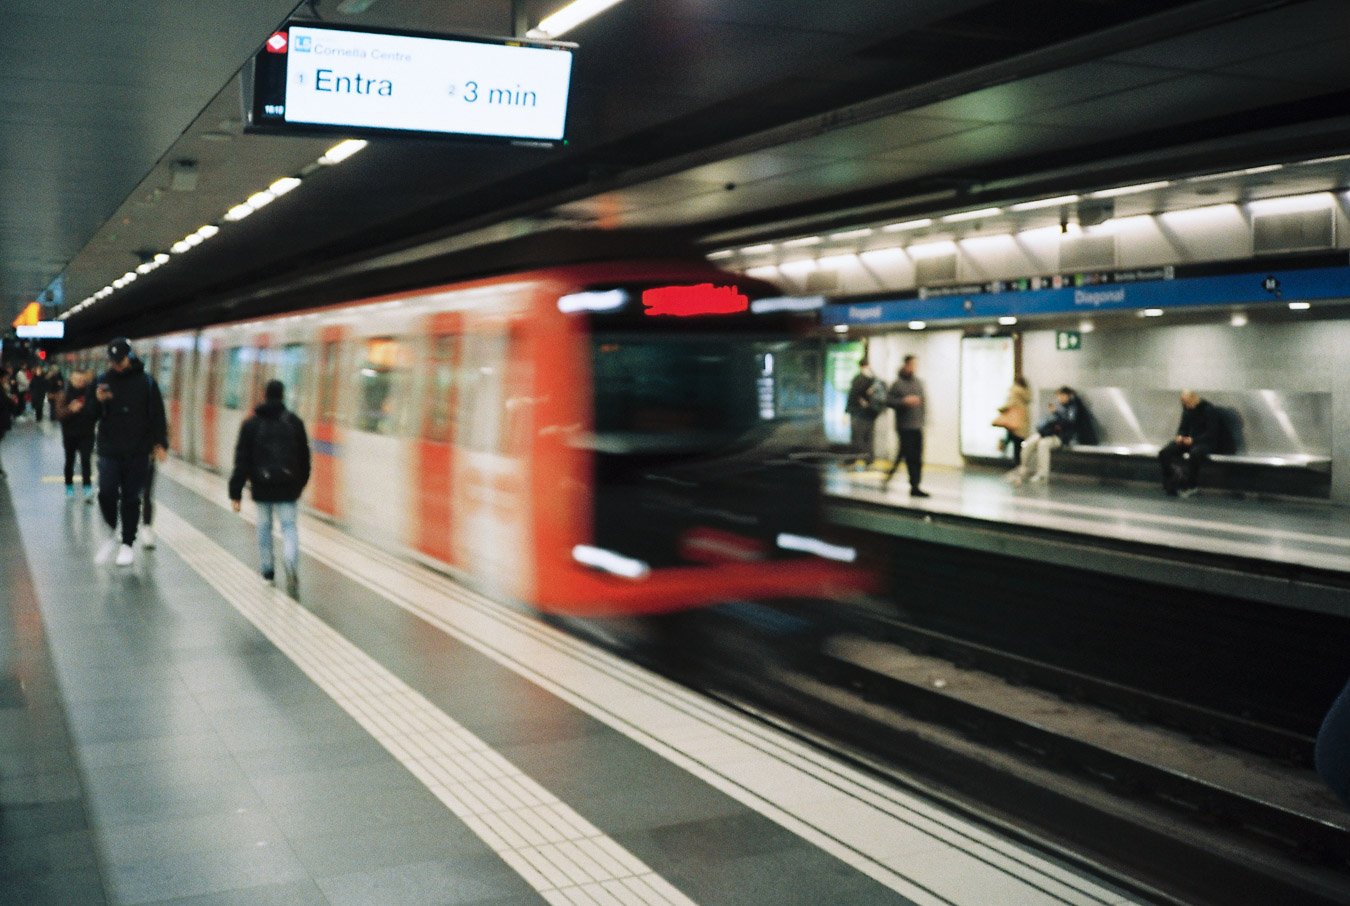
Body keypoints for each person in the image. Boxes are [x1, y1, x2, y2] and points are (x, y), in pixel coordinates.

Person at [229, 379, 311, 596]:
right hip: (287, 488)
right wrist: (299, 485)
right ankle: (290, 560)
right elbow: (305, 458)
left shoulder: (251, 424)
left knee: (264, 528)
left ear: (264, 396)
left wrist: (235, 492)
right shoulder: (295, 422)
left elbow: (242, 460)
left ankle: (267, 572)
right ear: (283, 396)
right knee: (289, 527)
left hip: (262, 487)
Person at [93, 338, 168, 567]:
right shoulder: (102, 382)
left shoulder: (146, 383)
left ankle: (127, 543)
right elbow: (90, 414)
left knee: (131, 497)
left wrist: (160, 443)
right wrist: (98, 402)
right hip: (109, 449)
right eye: (113, 361)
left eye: (120, 360)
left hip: (138, 450)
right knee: (106, 491)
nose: (116, 365)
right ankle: (112, 527)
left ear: (130, 357)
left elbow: (157, 415)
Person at [1005, 386, 1085, 486]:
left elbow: (1070, 423)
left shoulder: (1073, 407)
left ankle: (1042, 474)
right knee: (1029, 443)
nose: (1060, 398)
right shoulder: (1057, 406)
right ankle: (1023, 468)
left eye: (1062, 395)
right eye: (1058, 396)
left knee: (1043, 445)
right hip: (1047, 433)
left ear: (1068, 396)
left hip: (1061, 437)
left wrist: (1056, 413)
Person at [1158, 390, 1220, 499]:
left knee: (1195, 454)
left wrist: (1193, 440)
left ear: (1193, 399)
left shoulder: (1209, 410)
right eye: (1184, 403)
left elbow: (1212, 433)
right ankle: (1174, 475)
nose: (1185, 405)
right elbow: (1183, 428)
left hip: (1206, 443)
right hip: (1189, 441)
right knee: (1165, 452)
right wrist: (1180, 436)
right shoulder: (1187, 410)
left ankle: (1191, 485)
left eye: (1186, 402)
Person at [882, 355, 929, 497]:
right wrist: (904, 402)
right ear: (906, 365)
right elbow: (888, 400)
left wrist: (923, 420)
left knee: (914, 456)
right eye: (912, 365)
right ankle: (913, 485)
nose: (914, 367)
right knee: (909, 456)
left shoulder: (919, 383)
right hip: (904, 427)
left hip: (917, 426)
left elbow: (923, 403)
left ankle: (913, 483)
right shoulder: (897, 384)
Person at [54, 370, 98, 501]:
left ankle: (87, 487)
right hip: (70, 434)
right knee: (70, 461)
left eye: (82, 380)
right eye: (76, 379)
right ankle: (69, 486)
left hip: (87, 433)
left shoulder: (90, 394)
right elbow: (59, 415)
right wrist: (70, 410)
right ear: (71, 380)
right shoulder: (64, 394)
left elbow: (96, 411)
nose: (80, 382)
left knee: (86, 460)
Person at [845, 362, 885, 469]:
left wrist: (847, 411)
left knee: (857, 438)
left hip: (860, 414)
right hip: (870, 413)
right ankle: (868, 461)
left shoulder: (859, 379)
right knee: (868, 438)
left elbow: (853, 396)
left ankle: (853, 460)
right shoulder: (874, 380)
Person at [992, 375, 1031, 465]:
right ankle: (1020, 465)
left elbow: (1010, 404)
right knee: (1019, 444)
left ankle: (1015, 464)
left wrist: (1000, 409)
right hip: (1022, 422)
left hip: (1013, 422)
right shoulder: (1026, 394)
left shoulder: (1015, 391)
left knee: (1010, 438)